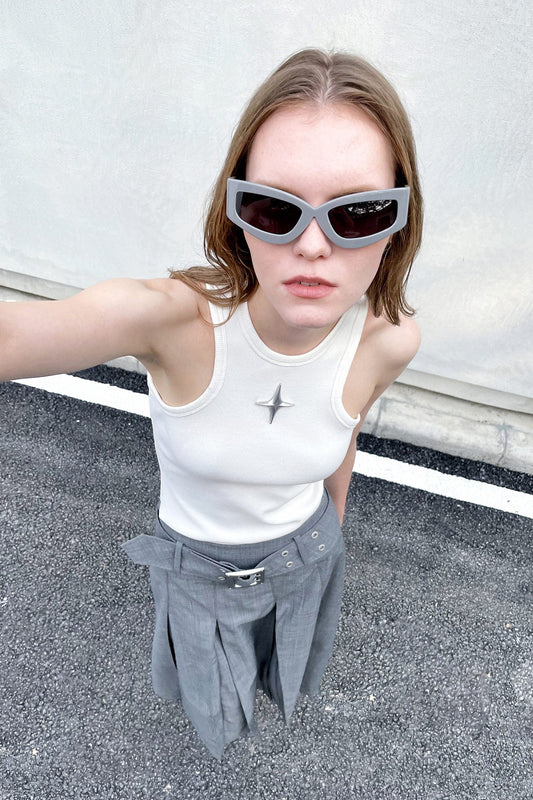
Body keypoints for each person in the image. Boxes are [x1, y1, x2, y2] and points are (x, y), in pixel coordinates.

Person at [0, 48, 423, 758]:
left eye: (357, 213)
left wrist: (334, 531)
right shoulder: (173, 322)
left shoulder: (390, 341)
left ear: (398, 224)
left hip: (309, 552)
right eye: (274, 208)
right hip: (196, 567)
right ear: (235, 212)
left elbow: (342, 433)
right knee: (212, 702)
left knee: (282, 675)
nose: (312, 245)